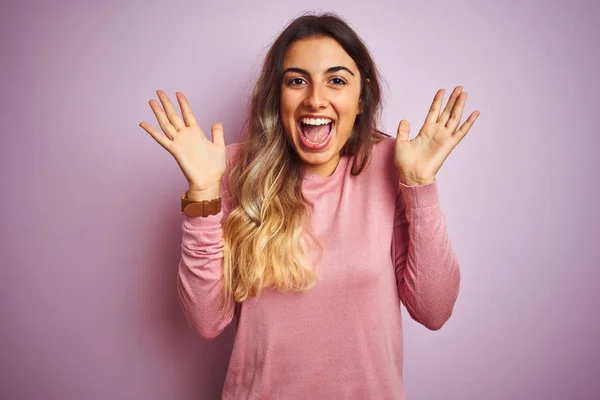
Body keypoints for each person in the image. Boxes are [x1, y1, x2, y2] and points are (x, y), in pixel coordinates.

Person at [139, 12, 480, 400]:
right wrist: (202, 191)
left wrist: (419, 186)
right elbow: (206, 320)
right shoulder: (229, 168)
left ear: (361, 96)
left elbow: (433, 311)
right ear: (277, 94)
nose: (315, 98)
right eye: (297, 81)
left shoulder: (393, 164)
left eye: (336, 80)